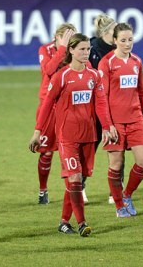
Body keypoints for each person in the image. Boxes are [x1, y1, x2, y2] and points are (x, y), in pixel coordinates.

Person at [29, 33, 116, 236]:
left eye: (88, 49)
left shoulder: (94, 76)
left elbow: (101, 103)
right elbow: (47, 104)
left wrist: (107, 126)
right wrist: (37, 132)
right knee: (75, 178)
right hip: (67, 137)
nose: (86, 53)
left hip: (88, 136)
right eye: (82, 49)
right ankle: (82, 223)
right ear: (71, 50)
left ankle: (63, 222)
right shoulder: (62, 76)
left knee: (75, 181)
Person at [98, 22, 143, 218]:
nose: (127, 43)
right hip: (115, 123)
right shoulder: (106, 63)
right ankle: (119, 206)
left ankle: (127, 195)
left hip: (136, 119)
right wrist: (107, 125)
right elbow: (102, 96)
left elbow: (141, 92)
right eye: (123, 40)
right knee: (115, 164)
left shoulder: (137, 62)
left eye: (130, 39)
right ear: (114, 41)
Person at [34, 23, 76, 205]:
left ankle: (77, 189)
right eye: (65, 38)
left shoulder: (74, 51)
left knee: (72, 150)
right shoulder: (45, 49)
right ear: (56, 38)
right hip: (48, 107)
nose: (69, 42)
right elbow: (48, 70)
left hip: (69, 106)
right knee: (46, 153)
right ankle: (43, 189)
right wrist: (63, 49)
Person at [88, 13, 118, 204]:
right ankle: (80, 185)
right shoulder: (91, 50)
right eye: (116, 29)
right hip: (95, 106)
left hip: (114, 106)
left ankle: (114, 192)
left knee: (117, 148)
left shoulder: (120, 49)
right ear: (107, 32)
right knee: (90, 147)